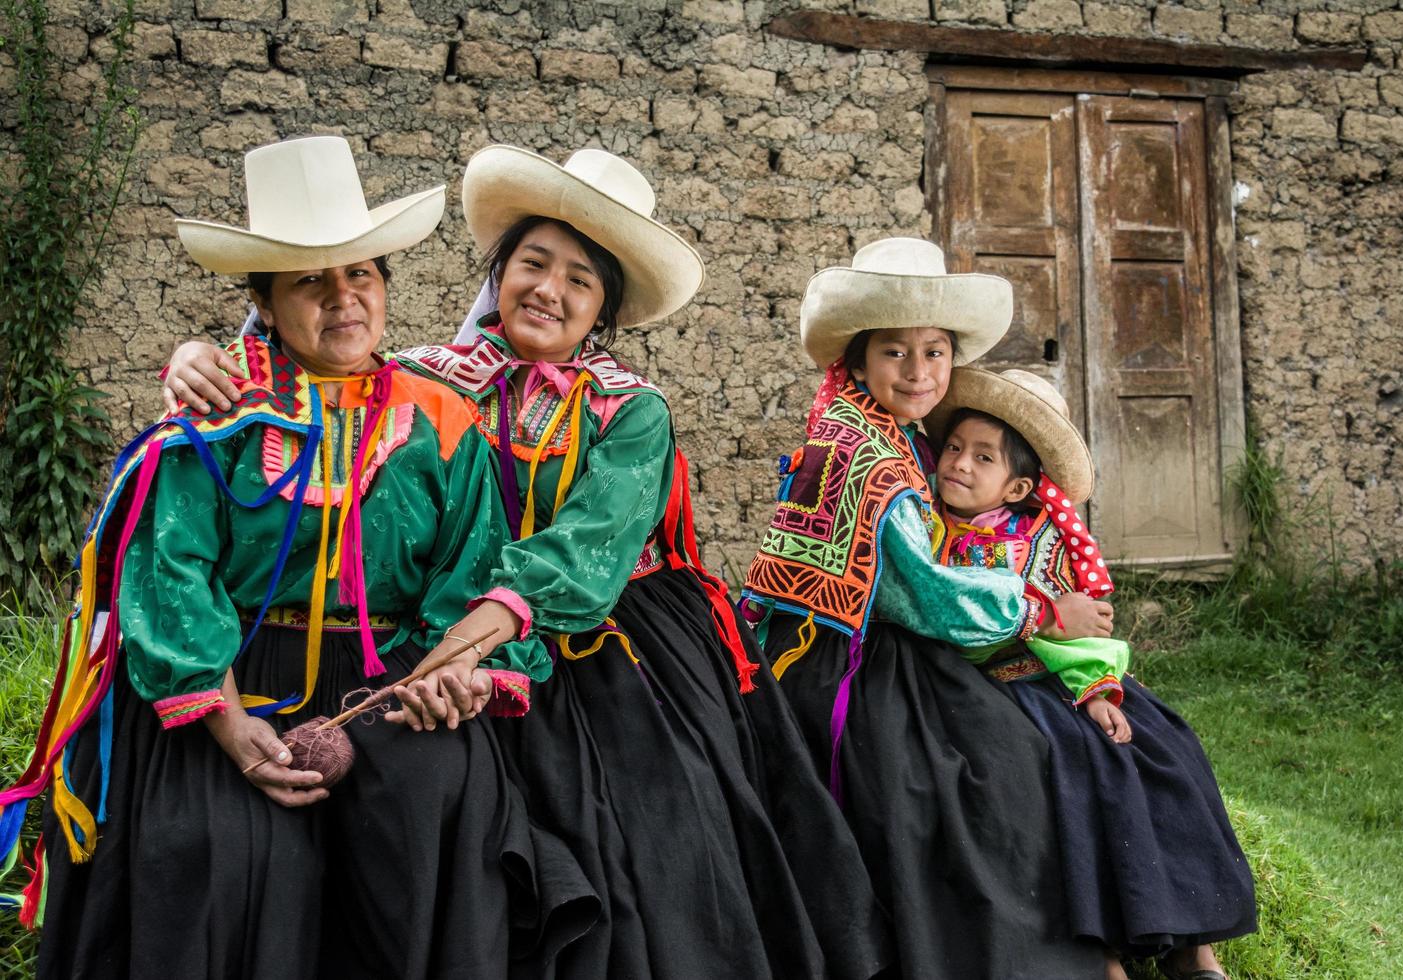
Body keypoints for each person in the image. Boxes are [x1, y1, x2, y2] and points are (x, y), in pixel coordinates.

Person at [159, 144, 890, 980]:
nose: (549, 289)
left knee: (650, 837)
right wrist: (193, 360)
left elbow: (584, 548)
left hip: (597, 630)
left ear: (604, 309)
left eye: (580, 280)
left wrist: (467, 647)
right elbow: (306, 355)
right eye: (532, 264)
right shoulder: (428, 378)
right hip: (436, 632)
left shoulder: (631, 411)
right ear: (498, 274)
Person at [0, 136, 597, 979]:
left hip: (388, 671)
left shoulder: (444, 417)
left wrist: (445, 676)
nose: (343, 299)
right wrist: (233, 726)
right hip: (235, 670)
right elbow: (168, 573)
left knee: (430, 802)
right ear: (265, 301)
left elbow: (472, 568)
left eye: (361, 274)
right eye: (310, 281)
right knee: (222, 844)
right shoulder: (215, 414)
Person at [742, 236, 1114, 978]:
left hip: (861, 638)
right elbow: (928, 596)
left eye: (936, 352)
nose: (919, 373)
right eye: (896, 354)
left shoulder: (885, 428)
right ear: (857, 359)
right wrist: (1043, 609)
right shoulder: (868, 453)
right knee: (987, 765)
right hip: (837, 661)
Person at [928, 367, 1258, 980]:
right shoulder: (932, 536)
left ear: (1017, 487)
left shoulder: (1042, 542)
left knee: (1166, 752)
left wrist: (1097, 690)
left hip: (1065, 680)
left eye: (983, 458)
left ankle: (1194, 949)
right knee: (1075, 768)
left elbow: (1084, 632)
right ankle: (1102, 953)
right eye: (953, 448)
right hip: (992, 685)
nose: (959, 465)